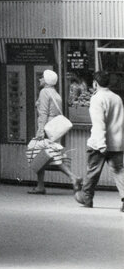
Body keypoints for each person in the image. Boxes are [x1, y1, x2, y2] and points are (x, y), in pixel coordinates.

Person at [74, 70, 124, 210]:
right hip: (117, 143)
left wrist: (101, 144)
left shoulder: (97, 98)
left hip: (99, 143)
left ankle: (87, 198)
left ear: (95, 83)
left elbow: (99, 123)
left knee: (93, 172)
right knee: (119, 171)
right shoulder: (117, 98)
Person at [29, 69, 80, 194]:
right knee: (49, 155)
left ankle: (73, 178)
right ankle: (41, 185)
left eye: (42, 77)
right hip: (54, 129)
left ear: (46, 80)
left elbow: (43, 113)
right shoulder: (56, 94)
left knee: (41, 155)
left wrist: (40, 130)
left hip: (47, 128)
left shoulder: (44, 92)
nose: (40, 79)